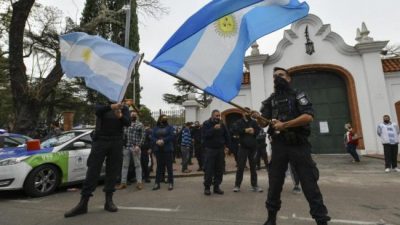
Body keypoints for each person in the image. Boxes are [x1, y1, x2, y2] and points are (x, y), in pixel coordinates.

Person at [258, 67, 330, 225]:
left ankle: (321, 220)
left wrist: (285, 125)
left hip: (299, 145)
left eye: (281, 75)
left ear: (289, 78)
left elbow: (308, 116)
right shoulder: (271, 100)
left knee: (309, 183)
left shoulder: (298, 95)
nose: (278, 78)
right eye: (275, 76)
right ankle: (271, 219)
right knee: (275, 183)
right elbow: (264, 122)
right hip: (279, 146)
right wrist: (257, 118)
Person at [64, 101, 130, 218]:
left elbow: (128, 123)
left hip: (116, 141)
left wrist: (120, 116)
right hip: (100, 141)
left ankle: (109, 201)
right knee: (93, 170)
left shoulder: (124, 107)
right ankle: (83, 203)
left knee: (112, 171)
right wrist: (111, 107)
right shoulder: (101, 104)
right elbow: (98, 111)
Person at [232, 108, 263, 193]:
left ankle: (254, 185)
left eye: (248, 112)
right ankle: (237, 185)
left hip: (253, 147)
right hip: (243, 147)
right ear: (242, 113)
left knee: (253, 167)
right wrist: (245, 130)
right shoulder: (239, 122)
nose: (247, 113)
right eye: (245, 112)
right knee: (240, 166)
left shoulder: (253, 122)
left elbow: (258, 130)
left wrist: (254, 131)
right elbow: (234, 130)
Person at [202, 110, 230, 196]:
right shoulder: (206, 124)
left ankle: (216, 187)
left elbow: (227, 135)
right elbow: (205, 135)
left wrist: (227, 146)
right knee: (209, 169)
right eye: (216, 116)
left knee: (219, 169)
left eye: (219, 116)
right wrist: (213, 129)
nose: (218, 117)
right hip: (210, 150)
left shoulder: (222, 124)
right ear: (212, 116)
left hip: (220, 150)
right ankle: (207, 187)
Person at [116, 111, 145, 190]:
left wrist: (138, 146)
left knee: (137, 165)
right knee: (124, 165)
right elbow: (122, 135)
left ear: (137, 116)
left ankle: (139, 183)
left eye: (134, 114)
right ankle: (123, 183)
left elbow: (143, 137)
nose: (133, 115)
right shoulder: (126, 124)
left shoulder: (140, 125)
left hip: (135, 147)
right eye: (132, 114)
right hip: (126, 147)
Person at [151, 114, 175, 191]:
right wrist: (157, 141)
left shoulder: (170, 127)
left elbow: (172, 136)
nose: (164, 120)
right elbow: (152, 136)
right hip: (158, 149)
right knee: (159, 167)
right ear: (159, 119)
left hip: (167, 149)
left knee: (169, 167)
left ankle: (170, 182)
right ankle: (157, 183)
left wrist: (163, 140)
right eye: (162, 118)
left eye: (165, 118)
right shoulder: (155, 128)